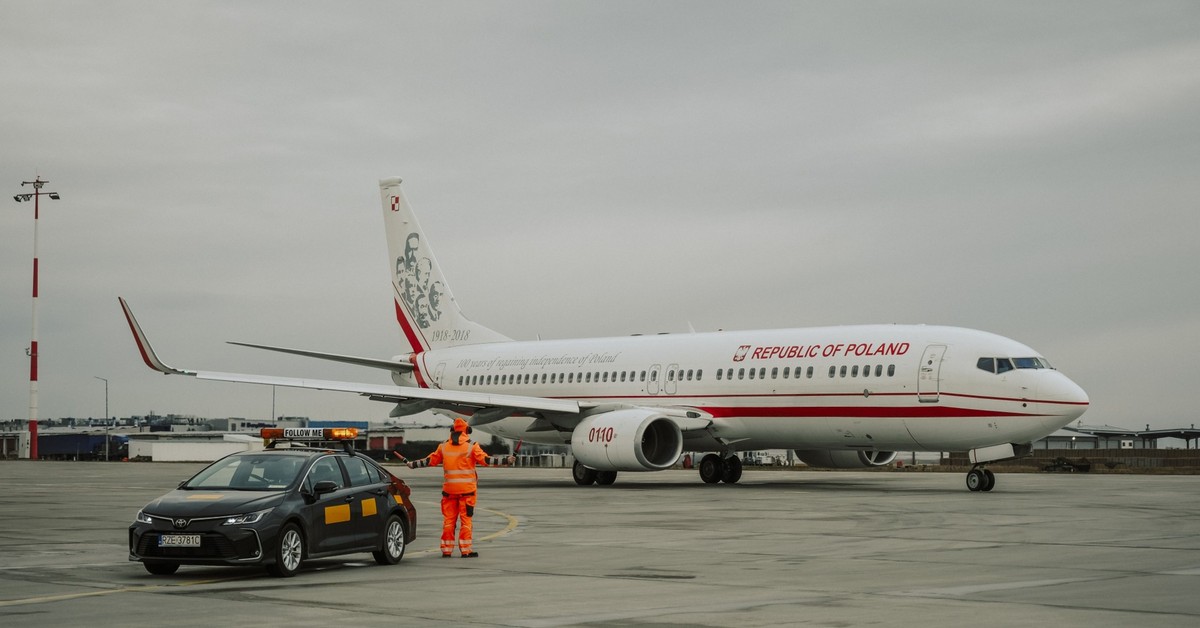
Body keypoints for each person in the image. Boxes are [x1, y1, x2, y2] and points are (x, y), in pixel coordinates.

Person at [407, 418, 514, 557]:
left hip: (449, 491)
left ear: (452, 430)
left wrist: (412, 464)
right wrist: (506, 460)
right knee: (466, 521)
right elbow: (487, 461)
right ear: (467, 431)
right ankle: (465, 550)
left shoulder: (443, 447)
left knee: (448, 521)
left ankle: (446, 550)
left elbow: (430, 461)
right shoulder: (472, 446)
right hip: (467, 492)